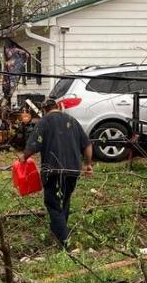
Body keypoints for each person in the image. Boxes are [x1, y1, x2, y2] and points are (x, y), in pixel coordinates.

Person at [20, 99, 93, 247]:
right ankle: (57, 235)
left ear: (45, 109)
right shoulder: (72, 121)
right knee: (64, 202)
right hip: (73, 171)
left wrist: (24, 157)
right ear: (58, 107)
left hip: (53, 171)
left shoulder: (44, 121)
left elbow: (34, 145)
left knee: (53, 204)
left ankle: (66, 242)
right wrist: (88, 164)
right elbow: (87, 144)